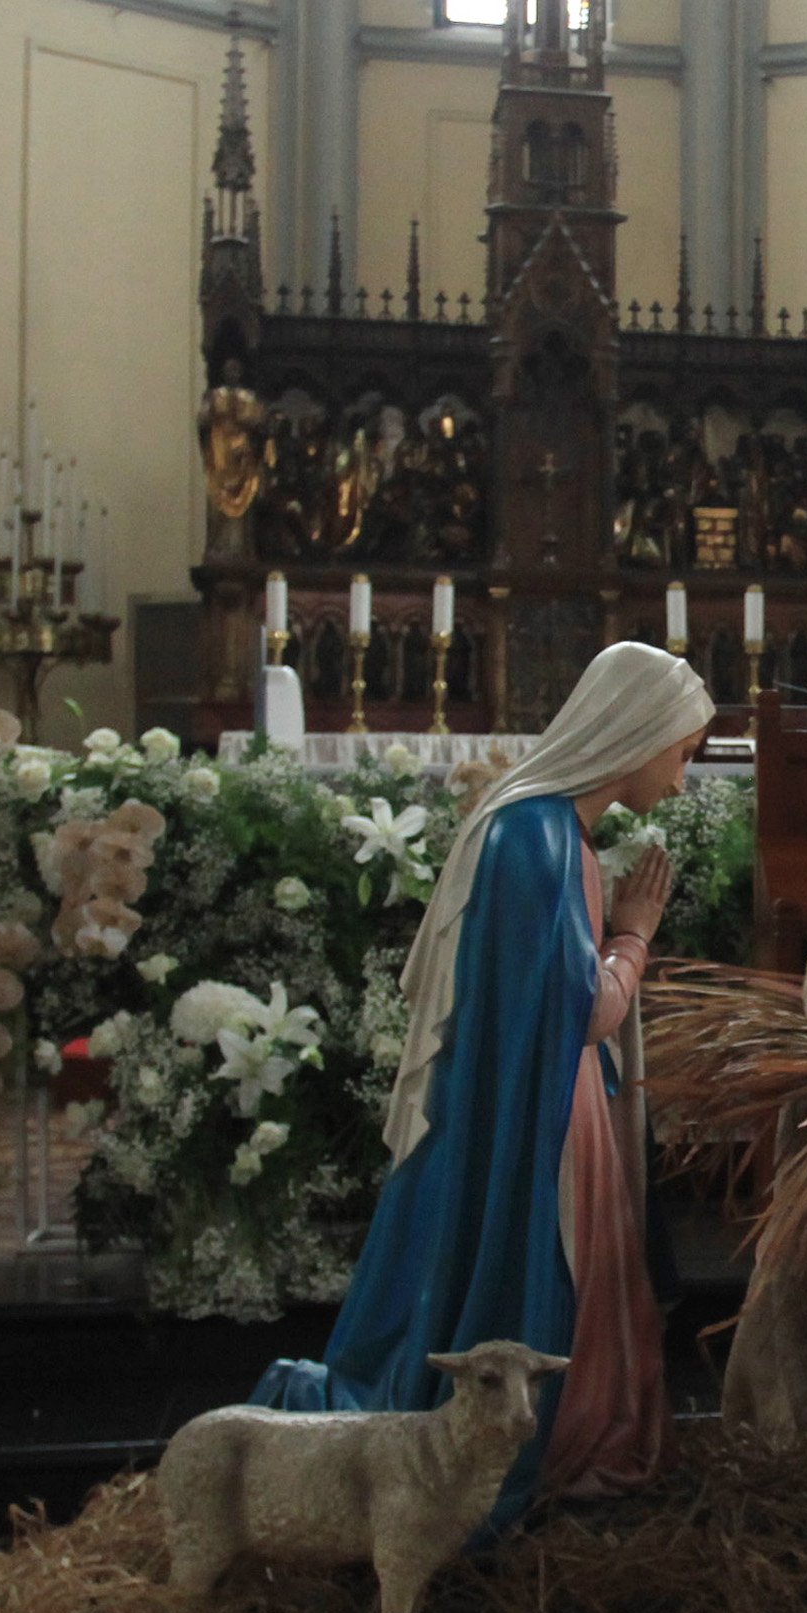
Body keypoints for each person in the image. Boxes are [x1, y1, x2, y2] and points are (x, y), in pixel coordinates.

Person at [256, 641, 715, 1533]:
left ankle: (586, 1441)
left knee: (597, 1275)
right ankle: (568, 1447)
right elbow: (581, 1012)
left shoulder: (549, 829)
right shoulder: (536, 838)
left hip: (547, 1101)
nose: (684, 776)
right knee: (564, 1270)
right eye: (683, 750)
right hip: (545, 1114)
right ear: (636, 730)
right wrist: (635, 933)